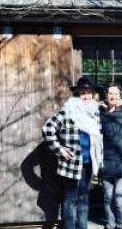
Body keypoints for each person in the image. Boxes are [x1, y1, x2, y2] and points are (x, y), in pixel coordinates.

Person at [42, 77, 104, 229]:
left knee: (84, 197)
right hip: (72, 164)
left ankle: (82, 227)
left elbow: (116, 107)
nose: (86, 96)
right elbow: (48, 128)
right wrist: (60, 149)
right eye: (83, 92)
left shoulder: (95, 113)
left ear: (93, 94)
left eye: (89, 92)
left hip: (89, 162)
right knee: (70, 199)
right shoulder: (68, 111)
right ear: (77, 93)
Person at [100, 83, 122, 229]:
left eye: (116, 94)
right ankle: (110, 225)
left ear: (120, 96)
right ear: (106, 96)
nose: (113, 96)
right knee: (108, 198)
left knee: (119, 198)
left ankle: (121, 225)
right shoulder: (100, 114)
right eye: (110, 93)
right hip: (106, 163)